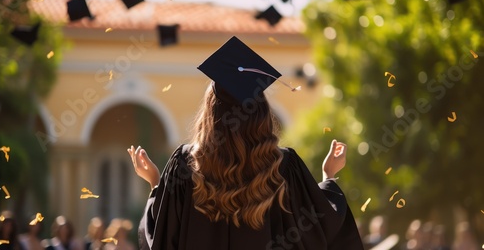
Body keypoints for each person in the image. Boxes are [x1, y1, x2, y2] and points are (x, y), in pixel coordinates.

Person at [128, 36, 364, 249]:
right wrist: (329, 178)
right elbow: (320, 228)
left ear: (211, 112)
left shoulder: (185, 164)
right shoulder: (284, 165)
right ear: (260, 113)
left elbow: (161, 236)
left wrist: (156, 183)